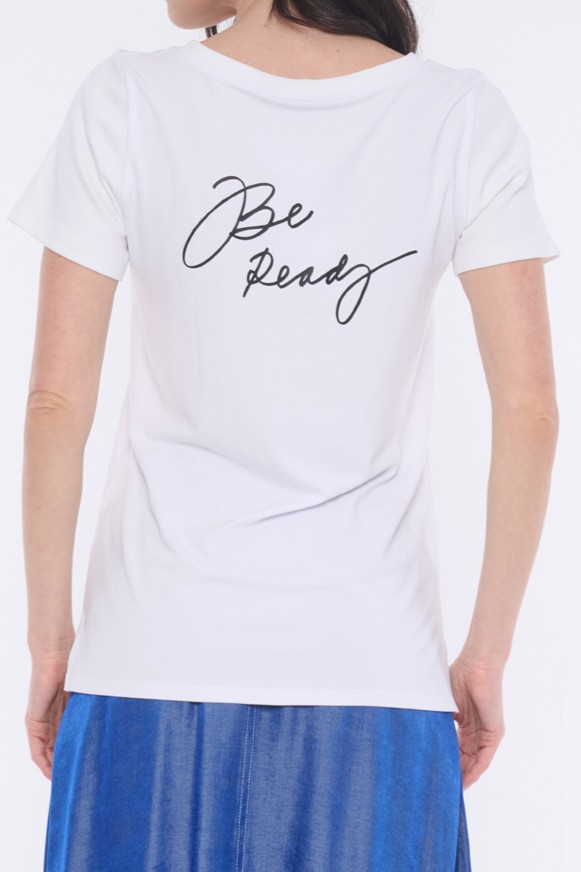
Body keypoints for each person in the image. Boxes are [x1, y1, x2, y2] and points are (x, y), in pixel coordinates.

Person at [7, 0, 560, 869]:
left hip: (150, 656)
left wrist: (51, 643)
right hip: (374, 669)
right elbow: (529, 409)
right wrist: (484, 658)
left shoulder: (130, 99)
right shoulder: (457, 114)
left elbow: (53, 402)